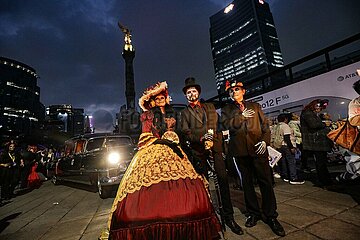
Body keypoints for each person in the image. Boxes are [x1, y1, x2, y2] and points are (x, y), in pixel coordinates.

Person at [106, 82, 221, 240]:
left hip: (177, 149)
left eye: (162, 97)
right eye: (157, 98)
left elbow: (182, 133)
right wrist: (164, 140)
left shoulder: (174, 114)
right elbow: (145, 136)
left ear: (166, 99)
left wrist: (176, 133)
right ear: (152, 101)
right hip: (154, 149)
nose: (160, 99)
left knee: (191, 186)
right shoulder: (147, 115)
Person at [221, 80, 285, 237]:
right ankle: (253, 213)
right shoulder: (227, 109)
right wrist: (241, 117)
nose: (234, 92)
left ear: (243, 91)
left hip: (258, 149)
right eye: (231, 91)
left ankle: (271, 215)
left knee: (266, 182)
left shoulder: (255, 106)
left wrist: (265, 140)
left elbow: (265, 126)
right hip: (240, 152)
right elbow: (227, 126)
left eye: (236, 89)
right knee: (247, 184)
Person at [180, 77, 243, 235]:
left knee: (222, 182)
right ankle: (209, 218)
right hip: (198, 153)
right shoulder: (184, 113)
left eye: (194, 91)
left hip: (215, 148)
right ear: (186, 95)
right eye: (188, 92)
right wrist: (201, 138)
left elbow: (216, 123)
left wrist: (211, 136)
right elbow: (186, 133)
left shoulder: (209, 107)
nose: (191, 94)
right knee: (203, 186)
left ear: (198, 92)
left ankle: (228, 217)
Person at [300, 99, 333, 188]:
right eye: (319, 107)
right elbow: (313, 125)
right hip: (316, 141)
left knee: (321, 162)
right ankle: (324, 181)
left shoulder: (310, 113)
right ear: (314, 105)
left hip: (317, 141)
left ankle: (325, 179)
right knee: (320, 162)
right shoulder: (307, 113)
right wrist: (325, 124)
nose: (320, 109)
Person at [273, 113, 305, 184]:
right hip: (286, 146)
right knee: (291, 161)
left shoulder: (276, 126)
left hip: (279, 146)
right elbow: (287, 138)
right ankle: (293, 178)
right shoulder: (285, 126)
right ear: (285, 119)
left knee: (283, 161)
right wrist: (291, 147)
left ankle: (285, 176)